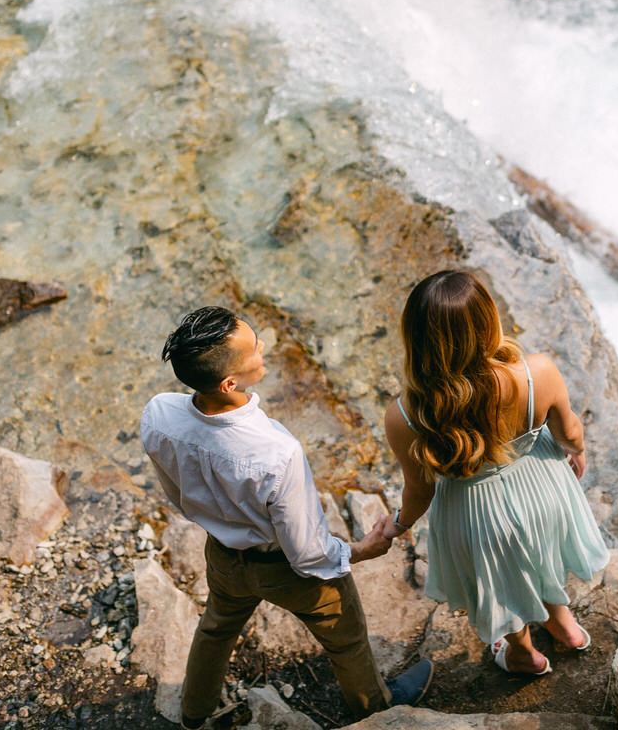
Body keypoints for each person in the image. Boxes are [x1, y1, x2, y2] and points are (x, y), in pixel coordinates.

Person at [142, 306, 432, 728]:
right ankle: (374, 709)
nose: (263, 347)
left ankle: (193, 712)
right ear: (230, 383)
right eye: (254, 348)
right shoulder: (276, 453)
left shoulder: (159, 413)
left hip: (223, 557)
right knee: (346, 640)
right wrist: (359, 550)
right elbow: (309, 554)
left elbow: (177, 492)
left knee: (216, 629)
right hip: (284, 569)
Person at [381, 270, 610, 676]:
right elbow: (570, 432)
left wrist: (397, 525)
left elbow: (419, 490)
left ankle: (524, 654)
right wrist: (577, 452)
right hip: (543, 488)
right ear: (488, 320)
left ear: (415, 337)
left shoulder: (406, 415)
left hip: (476, 515)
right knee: (543, 551)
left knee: (501, 584)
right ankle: (566, 627)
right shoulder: (536, 372)